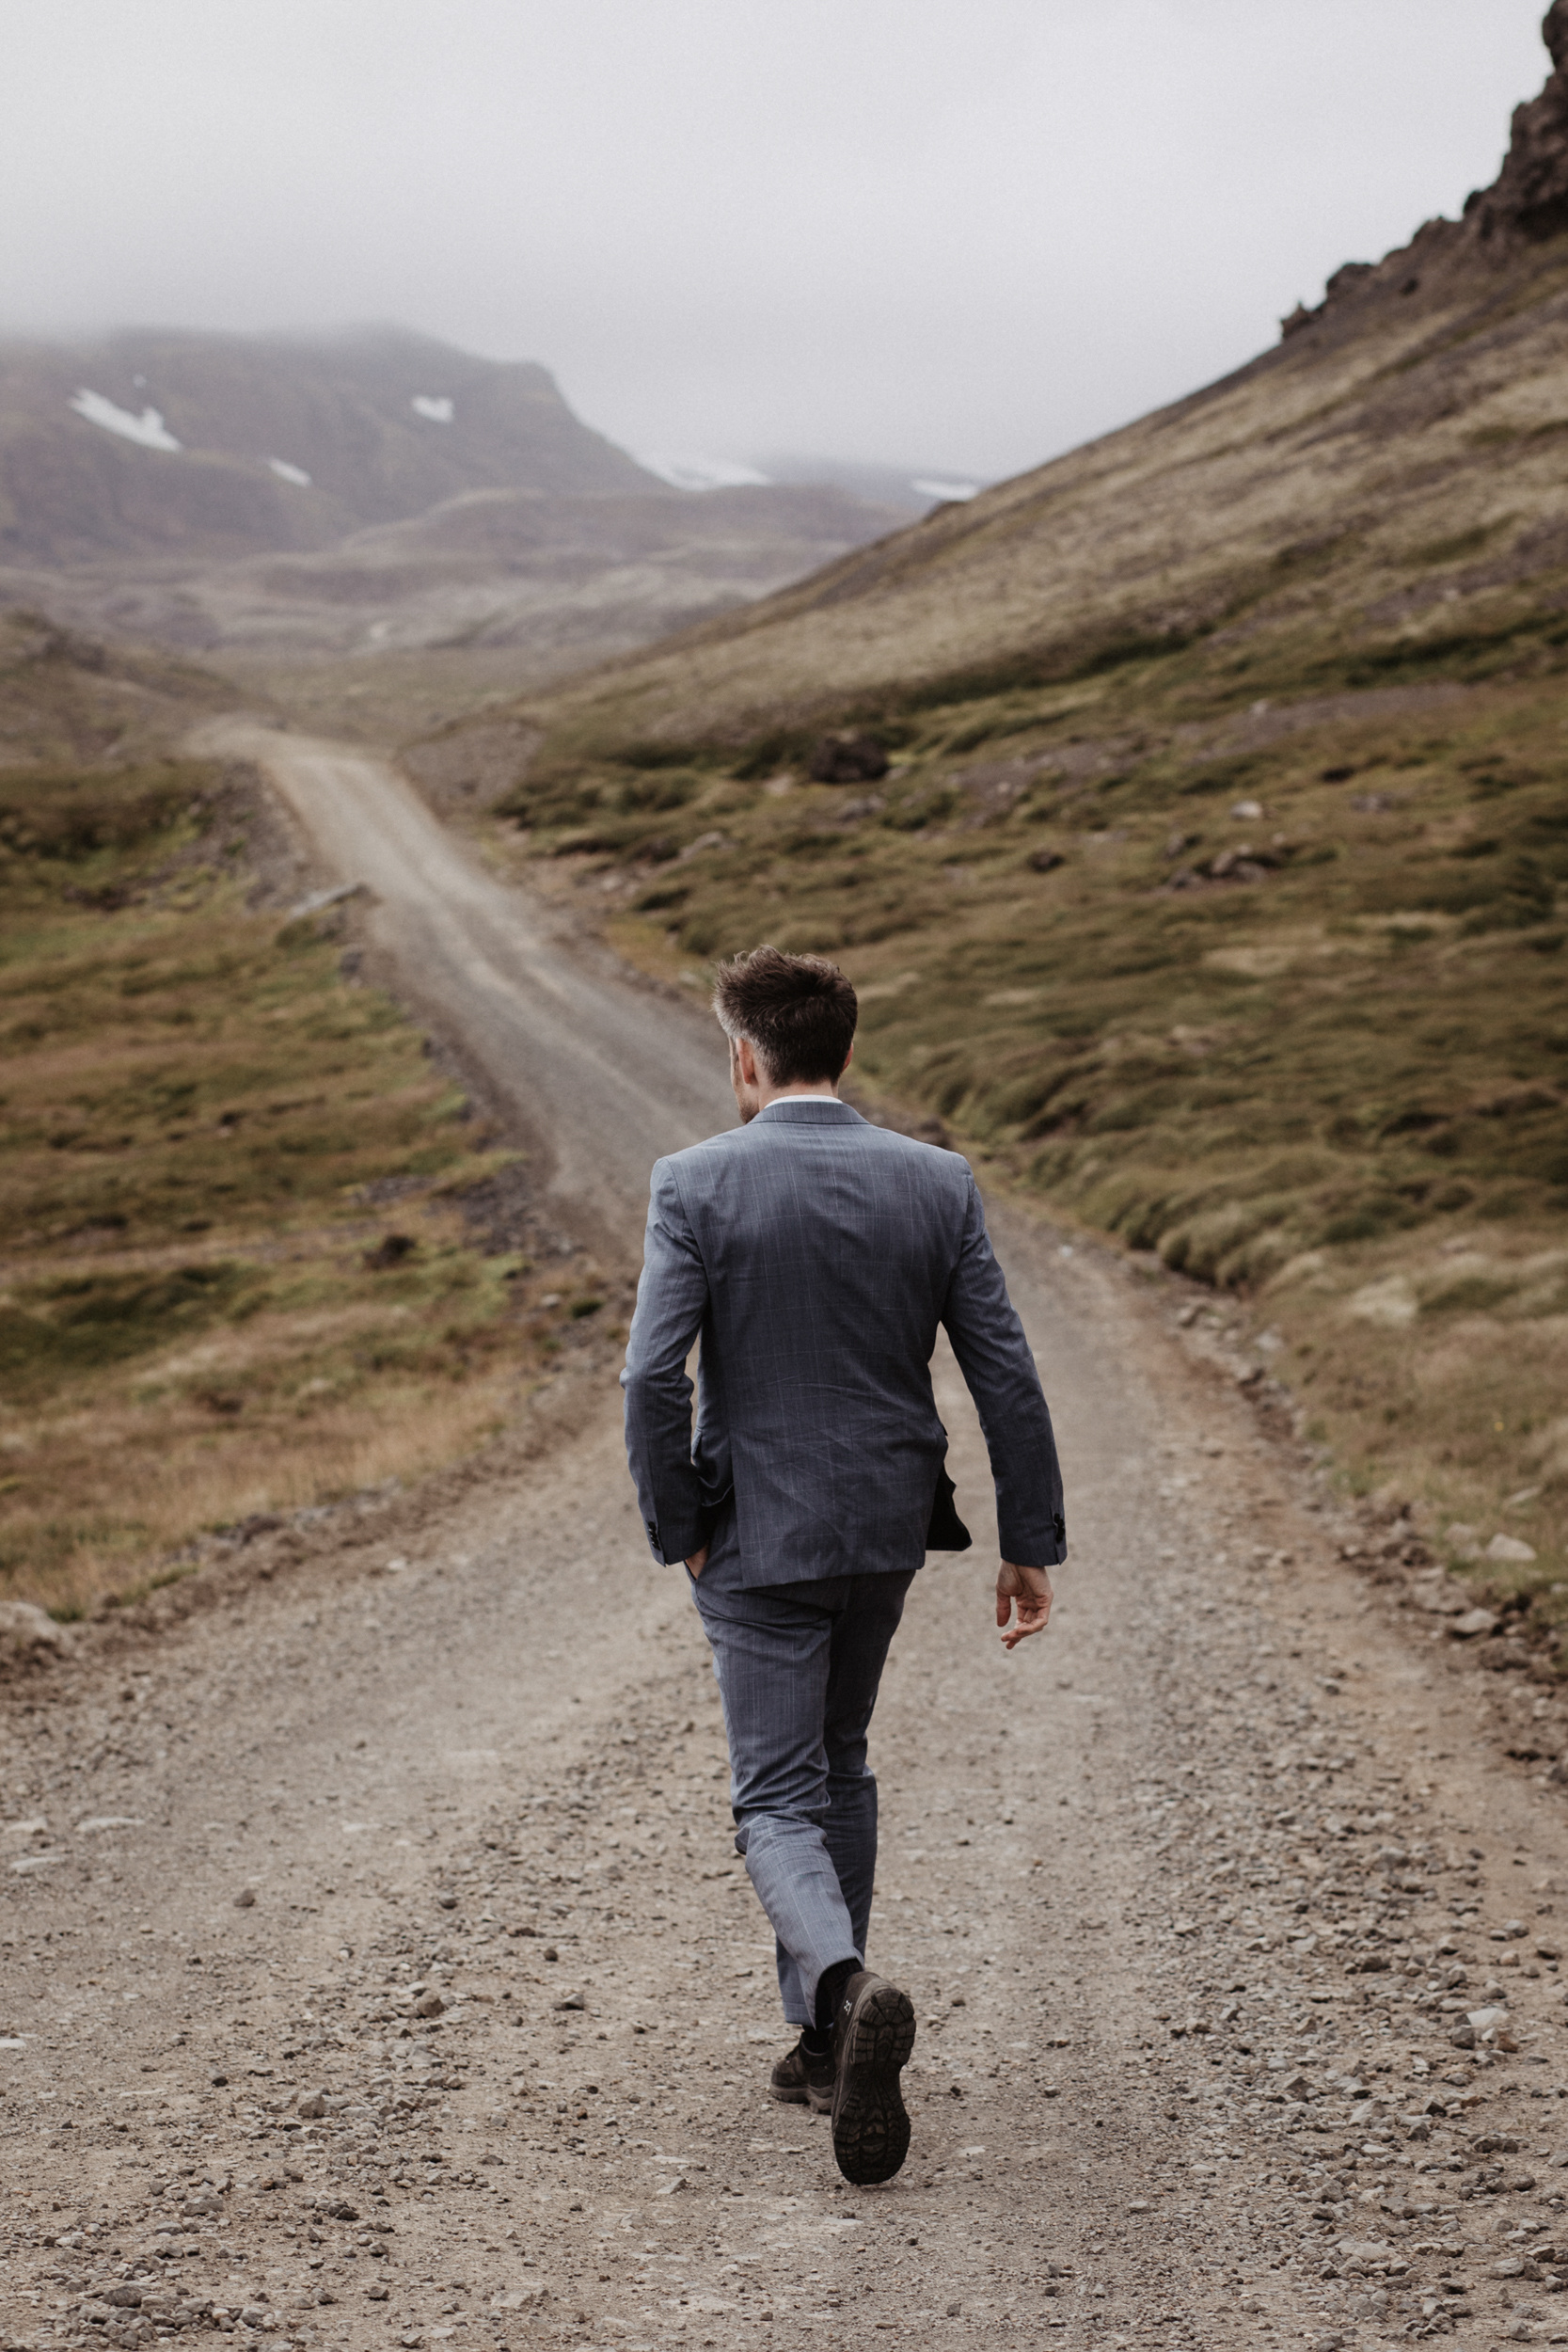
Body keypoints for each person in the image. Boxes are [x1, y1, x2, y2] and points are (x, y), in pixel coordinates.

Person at [621, 946, 1065, 2185]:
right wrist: (1028, 1540)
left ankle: (842, 1990)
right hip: (883, 1529)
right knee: (845, 1762)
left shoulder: (692, 1181)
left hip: (754, 1536)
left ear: (742, 1058)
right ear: (850, 1053)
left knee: (774, 1793)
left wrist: (681, 1524)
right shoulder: (936, 1180)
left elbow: (651, 1375)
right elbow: (1006, 1373)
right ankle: (826, 2046)